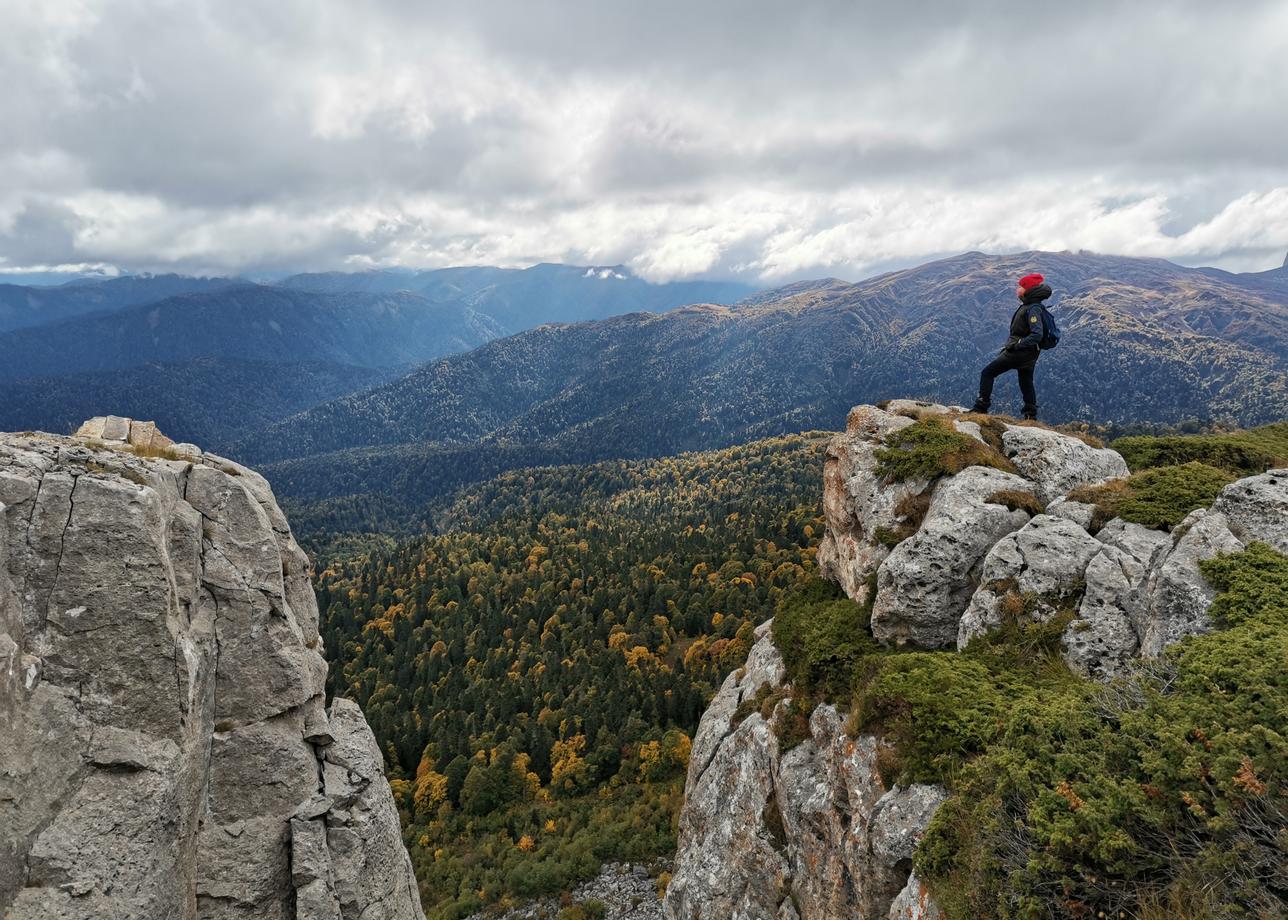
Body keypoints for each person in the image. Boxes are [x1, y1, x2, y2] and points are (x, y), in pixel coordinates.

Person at [971, 272, 1052, 420]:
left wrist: (1017, 345)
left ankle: (980, 408)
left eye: (1021, 286)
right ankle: (1030, 416)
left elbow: (1037, 334)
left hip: (1019, 353)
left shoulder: (1032, 308)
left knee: (987, 373)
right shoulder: (1032, 306)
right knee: (1026, 381)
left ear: (1028, 290)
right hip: (1030, 354)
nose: (1017, 289)